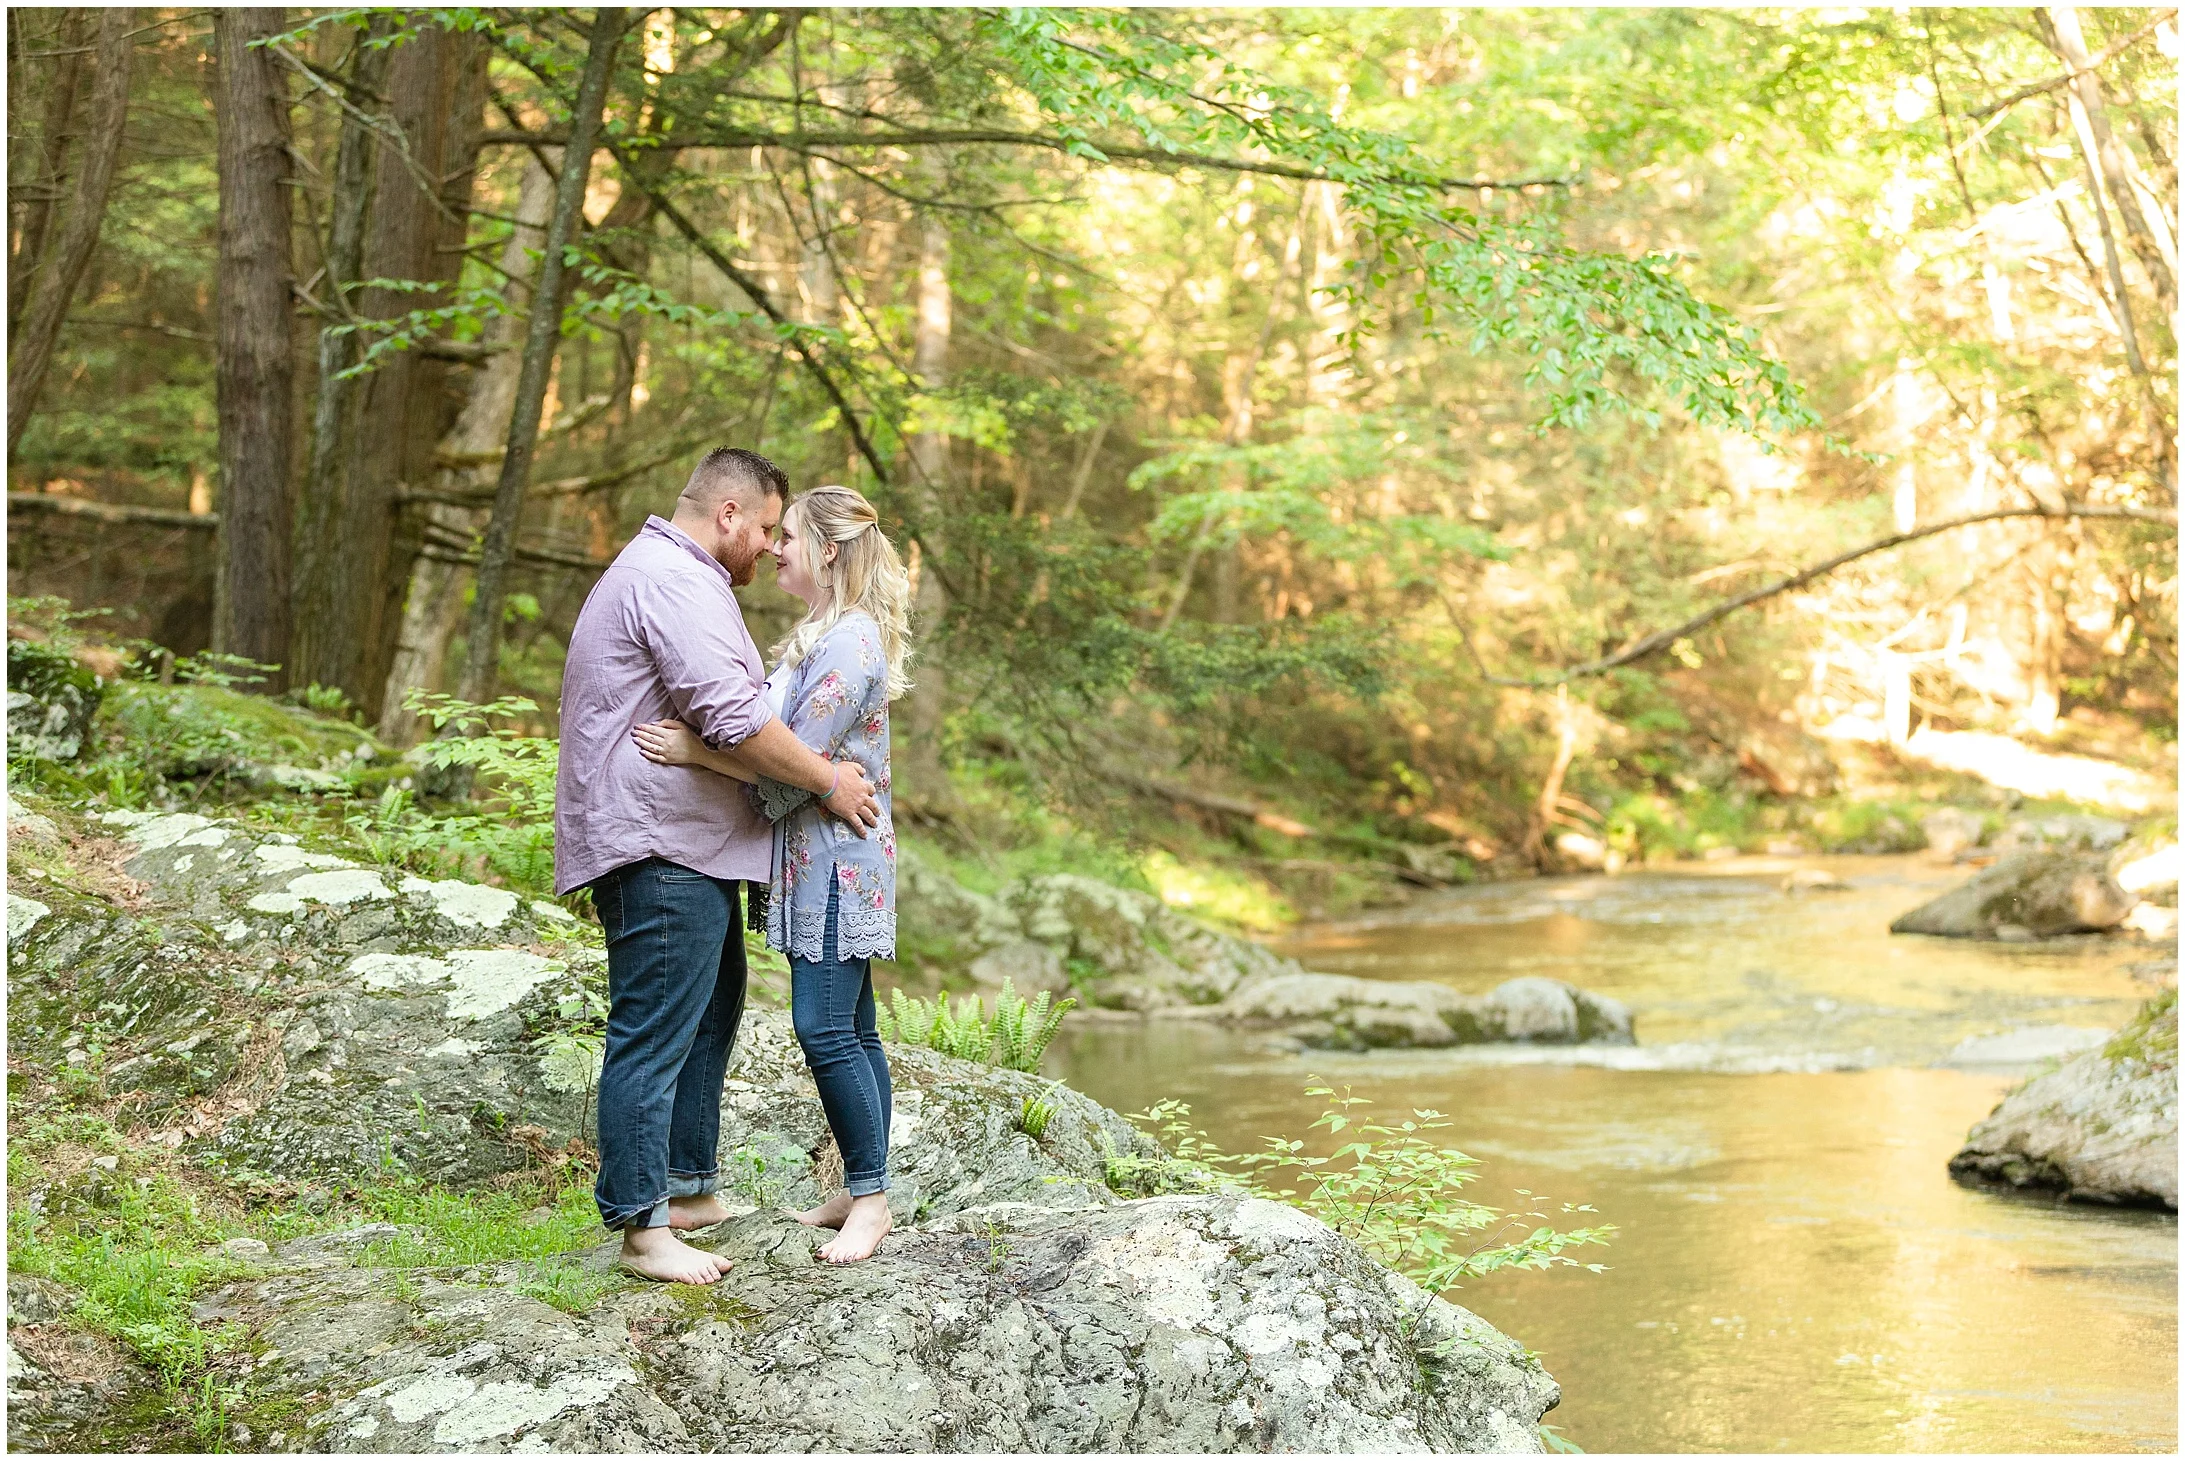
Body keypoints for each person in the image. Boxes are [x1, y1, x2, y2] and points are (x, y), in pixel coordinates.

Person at [555, 448, 881, 1286]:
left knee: (710, 1008)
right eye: (766, 526)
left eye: (785, 534)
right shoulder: (673, 578)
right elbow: (734, 716)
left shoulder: (678, 575)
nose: (770, 545)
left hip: (685, 845)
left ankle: (689, 1189)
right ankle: (643, 1226)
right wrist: (828, 780)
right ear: (728, 513)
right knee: (656, 1029)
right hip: (657, 842)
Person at [633, 483, 909, 1264]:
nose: (773, 547)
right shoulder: (822, 633)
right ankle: (861, 1187)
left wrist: (695, 751)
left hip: (835, 865)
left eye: (786, 535)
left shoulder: (850, 643)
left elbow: (788, 763)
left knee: (823, 1027)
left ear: (826, 550)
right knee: (855, 1027)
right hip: (815, 861)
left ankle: (874, 1200)